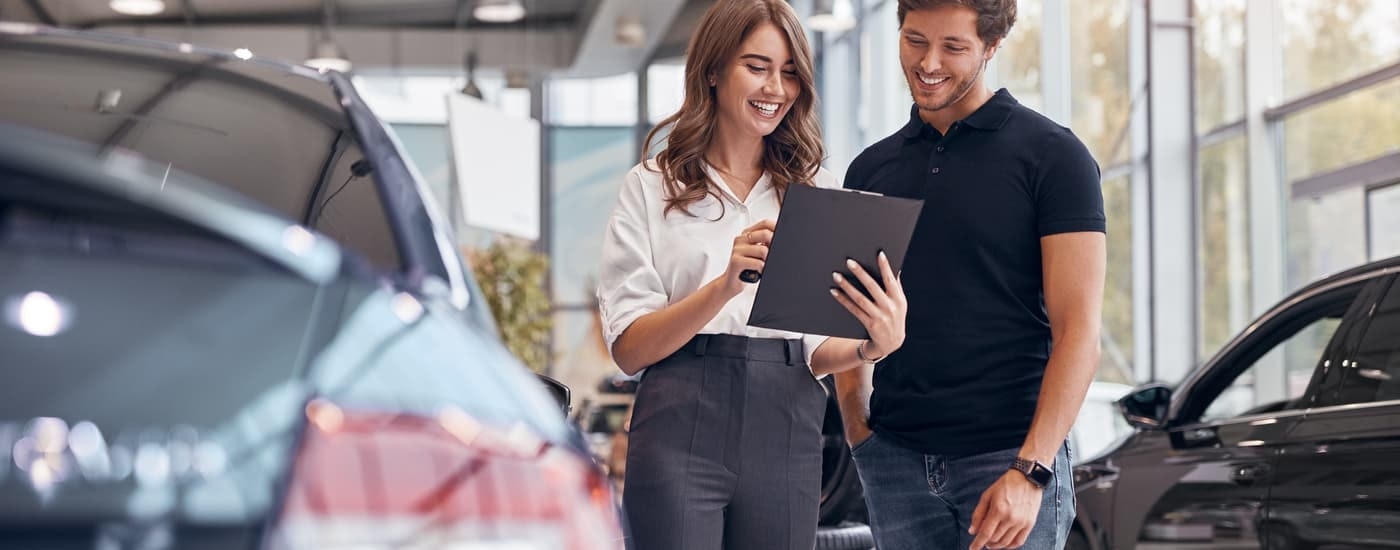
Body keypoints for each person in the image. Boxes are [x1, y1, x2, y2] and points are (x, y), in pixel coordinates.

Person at [595, 1, 909, 549]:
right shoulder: (650, 186)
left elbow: (814, 349)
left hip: (787, 422)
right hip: (678, 421)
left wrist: (870, 346)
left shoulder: (816, 192)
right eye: (757, 66)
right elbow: (628, 349)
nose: (776, 87)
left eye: (790, 72)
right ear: (713, 71)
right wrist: (723, 286)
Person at [832, 1, 1107, 549]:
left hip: (1007, 462)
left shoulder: (1054, 157)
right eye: (914, 41)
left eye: (953, 47)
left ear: (991, 46)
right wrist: (860, 434)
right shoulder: (870, 169)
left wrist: (1031, 472)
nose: (928, 62)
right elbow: (851, 315)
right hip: (895, 464)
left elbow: (1079, 332)